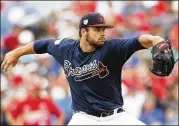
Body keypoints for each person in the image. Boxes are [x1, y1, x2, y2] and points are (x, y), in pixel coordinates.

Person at [1, 12, 168, 125]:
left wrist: (156, 40)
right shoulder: (65, 48)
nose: (102, 33)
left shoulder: (112, 48)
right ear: (83, 32)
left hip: (116, 117)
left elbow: (141, 40)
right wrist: (16, 53)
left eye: (103, 29)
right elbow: (42, 45)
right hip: (84, 118)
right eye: (97, 29)